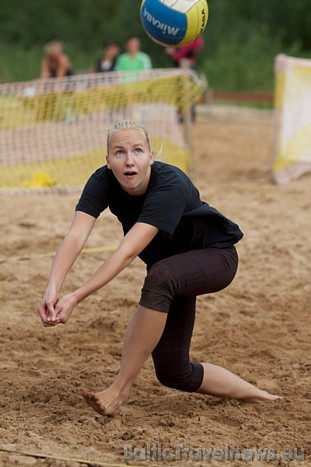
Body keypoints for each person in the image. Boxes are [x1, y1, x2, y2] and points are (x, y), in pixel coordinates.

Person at [37, 120, 280, 417]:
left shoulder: (170, 183)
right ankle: (262, 397)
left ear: (151, 156)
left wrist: (75, 297)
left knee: (160, 276)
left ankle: (118, 391)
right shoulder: (102, 181)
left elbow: (128, 251)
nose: (129, 160)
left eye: (138, 151)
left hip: (215, 258)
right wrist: (53, 287)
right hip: (170, 273)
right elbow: (76, 235)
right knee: (174, 372)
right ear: (108, 160)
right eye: (119, 152)